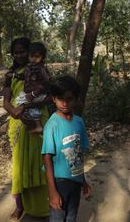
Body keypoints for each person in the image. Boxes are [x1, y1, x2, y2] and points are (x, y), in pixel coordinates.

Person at [3, 37, 50, 220]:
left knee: (40, 161)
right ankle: (21, 205)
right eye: (16, 52)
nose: (19, 55)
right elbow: (6, 101)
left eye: (23, 51)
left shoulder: (39, 70)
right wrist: (14, 111)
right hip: (17, 121)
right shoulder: (10, 75)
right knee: (20, 165)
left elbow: (48, 94)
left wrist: (28, 105)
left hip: (37, 115)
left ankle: (46, 203)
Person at [41, 75, 91, 222]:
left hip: (75, 181)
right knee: (57, 218)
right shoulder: (52, 125)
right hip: (59, 182)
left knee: (71, 217)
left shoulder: (79, 122)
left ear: (75, 99)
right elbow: (47, 157)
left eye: (69, 98)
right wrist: (52, 191)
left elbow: (78, 154)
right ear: (53, 99)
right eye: (60, 98)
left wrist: (83, 180)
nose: (65, 103)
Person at [15, 42, 50, 133]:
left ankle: (38, 125)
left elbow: (46, 83)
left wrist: (33, 94)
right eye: (31, 56)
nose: (34, 59)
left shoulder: (41, 69)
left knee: (24, 104)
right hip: (29, 93)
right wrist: (16, 76)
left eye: (37, 56)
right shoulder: (29, 66)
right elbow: (24, 76)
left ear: (43, 57)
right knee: (20, 103)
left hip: (36, 94)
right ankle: (31, 123)